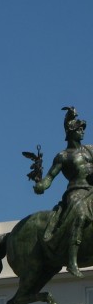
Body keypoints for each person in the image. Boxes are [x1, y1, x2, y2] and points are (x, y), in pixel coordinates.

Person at [33, 107, 93, 277]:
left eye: (83, 129)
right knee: (81, 214)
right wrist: (41, 186)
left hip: (92, 188)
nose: (82, 132)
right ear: (70, 132)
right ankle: (72, 261)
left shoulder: (90, 149)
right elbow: (50, 177)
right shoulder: (63, 156)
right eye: (79, 129)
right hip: (76, 191)